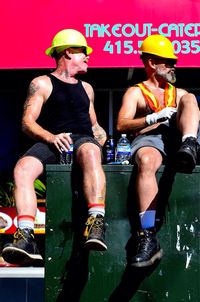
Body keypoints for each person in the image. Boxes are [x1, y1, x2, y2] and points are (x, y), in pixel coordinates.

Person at [2, 29, 107, 266]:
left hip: (82, 140)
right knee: (22, 168)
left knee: (91, 151)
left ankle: (96, 223)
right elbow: (27, 122)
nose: (88, 57)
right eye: (84, 52)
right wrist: (51, 137)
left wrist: (102, 141)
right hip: (51, 140)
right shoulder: (42, 83)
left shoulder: (86, 88)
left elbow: (95, 127)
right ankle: (26, 236)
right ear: (68, 52)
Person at [117, 34, 200, 268]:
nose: (174, 66)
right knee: (145, 159)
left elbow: (189, 109)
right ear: (152, 63)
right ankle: (148, 234)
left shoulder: (179, 93)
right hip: (151, 140)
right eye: (168, 61)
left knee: (191, 97)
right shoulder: (136, 92)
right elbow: (121, 124)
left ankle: (190, 144)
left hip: (180, 140)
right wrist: (153, 117)